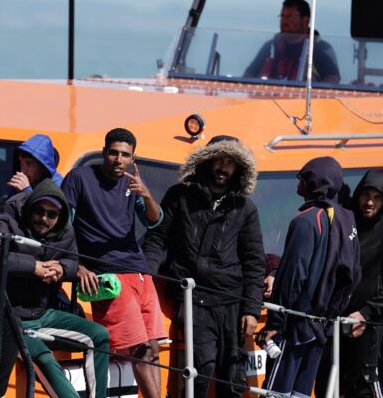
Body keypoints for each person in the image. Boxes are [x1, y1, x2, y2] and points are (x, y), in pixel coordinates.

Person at [143, 135, 264, 398]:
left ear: (238, 168)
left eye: (230, 162)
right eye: (219, 159)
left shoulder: (245, 208)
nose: (223, 167)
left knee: (232, 378)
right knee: (202, 369)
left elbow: (255, 262)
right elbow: (156, 237)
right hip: (192, 297)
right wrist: (147, 275)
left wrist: (252, 310)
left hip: (231, 300)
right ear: (207, 161)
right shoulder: (180, 196)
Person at [62, 128, 165, 398]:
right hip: (109, 276)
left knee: (153, 348)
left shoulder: (132, 183)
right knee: (140, 350)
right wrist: (78, 265)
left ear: (133, 157)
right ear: (104, 151)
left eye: (125, 155)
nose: (119, 160)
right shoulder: (79, 178)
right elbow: (62, 228)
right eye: (114, 153)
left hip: (140, 273)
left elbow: (155, 221)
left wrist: (145, 194)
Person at [0, 178, 109, 398]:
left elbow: (73, 261)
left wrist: (62, 268)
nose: (44, 218)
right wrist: (33, 267)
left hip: (44, 313)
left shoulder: (65, 231)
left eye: (51, 215)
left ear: (59, 217)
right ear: (31, 208)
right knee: (44, 357)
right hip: (11, 319)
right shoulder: (6, 221)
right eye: (39, 211)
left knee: (99, 335)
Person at [259, 157, 361, 398]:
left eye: (303, 177)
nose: (299, 181)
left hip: (294, 324)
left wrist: (275, 323)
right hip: (320, 326)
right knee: (302, 393)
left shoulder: (306, 220)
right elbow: (353, 274)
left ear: (315, 182)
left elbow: (292, 277)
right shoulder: (347, 222)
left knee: (276, 392)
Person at [315, 169, 383, 397]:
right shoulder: (345, 221)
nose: (369, 202)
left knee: (363, 387)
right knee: (327, 381)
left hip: (370, 327)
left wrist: (366, 314)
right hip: (335, 320)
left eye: (377, 197)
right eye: (366, 195)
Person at [244, 0, 341, 83]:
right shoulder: (270, 47)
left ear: (305, 20)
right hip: (268, 101)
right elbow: (248, 76)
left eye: (290, 16)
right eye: (282, 16)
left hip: (303, 102)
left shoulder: (319, 48)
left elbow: (333, 79)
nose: (284, 21)